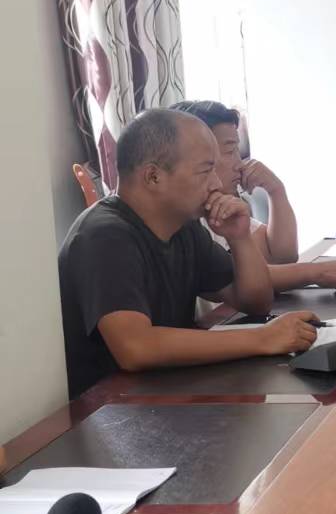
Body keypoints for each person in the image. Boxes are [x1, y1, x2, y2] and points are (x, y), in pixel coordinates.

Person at [58, 109, 320, 397]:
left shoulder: (182, 226)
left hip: (167, 389)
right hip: (108, 406)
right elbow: (136, 348)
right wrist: (262, 338)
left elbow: (255, 302)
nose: (216, 184)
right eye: (205, 171)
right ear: (153, 177)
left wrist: (239, 238)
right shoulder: (104, 235)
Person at [171, 100, 336, 292]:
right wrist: (314, 272)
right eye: (229, 151)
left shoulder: (221, 204)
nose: (239, 163)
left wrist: (276, 190)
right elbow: (240, 277)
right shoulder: (186, 218)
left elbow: (281, 256)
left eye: (237, 150)